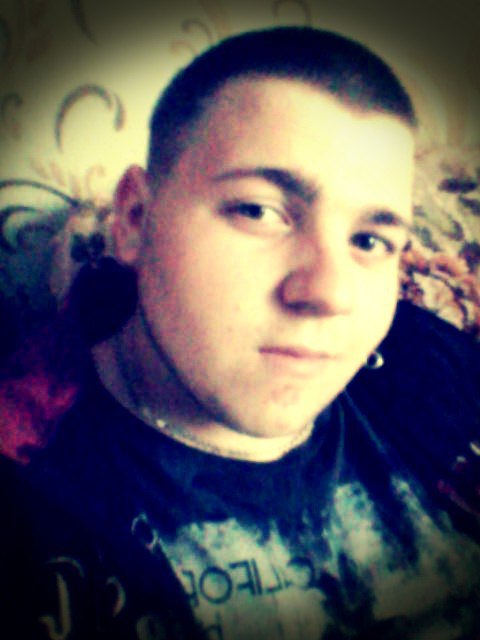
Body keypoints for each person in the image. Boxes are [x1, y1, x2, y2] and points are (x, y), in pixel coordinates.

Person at [1, 26, 480, 640]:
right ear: (136, 219)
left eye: (369, 240)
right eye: (257, 211)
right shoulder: (28, 498)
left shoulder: (424, 360)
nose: (330, 294)